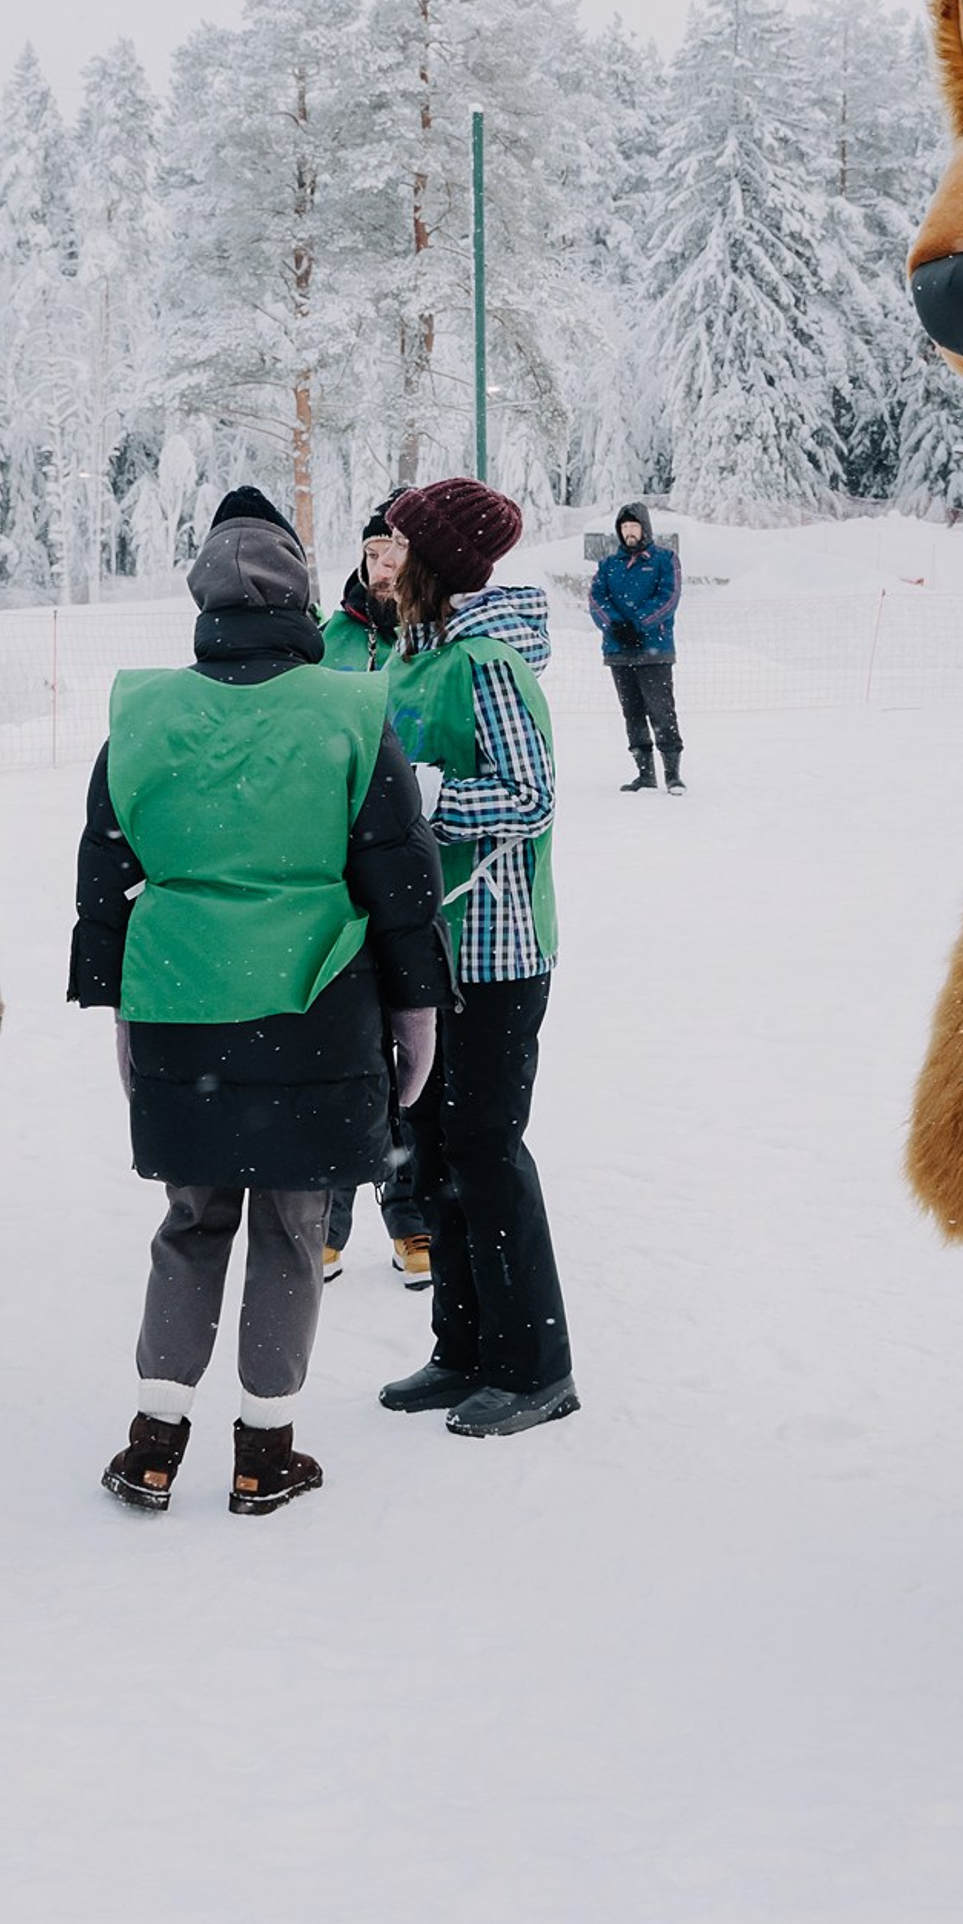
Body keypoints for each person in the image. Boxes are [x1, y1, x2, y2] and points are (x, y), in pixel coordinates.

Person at [72, 487, 451, 1515]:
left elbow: (103, 870)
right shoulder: (346, 707)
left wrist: (116, 1003)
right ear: (296, 587)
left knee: (192, 1216)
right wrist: (414, 1010)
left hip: (178, 994)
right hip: (315, 996)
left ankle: (152, 1443)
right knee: (291, 1222)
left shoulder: (142, 713)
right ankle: (263, 1451)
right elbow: (398, 876)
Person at [377, 478, 579, 1436]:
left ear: (435, 567)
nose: (385, 560)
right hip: (433, 944)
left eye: (399, 546)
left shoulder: (489, 665)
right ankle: (462, 1348)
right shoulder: (418, 659)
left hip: (496, 947)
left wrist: (426, 800)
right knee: (442, 1153)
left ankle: (536, 1365)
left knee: (488, 1152)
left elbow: (531, 795)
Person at [317, 495, 432, 1287]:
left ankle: (412, 1219)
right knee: (347, 1045)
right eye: (372, 552)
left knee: (413, 1052)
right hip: (335, 864)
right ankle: (326, 1221)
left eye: (393, 551)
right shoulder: (334, 637)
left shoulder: (428, 641)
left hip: (407, 858)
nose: (380, 565)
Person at [589, 501, 684, 793]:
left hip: (654, 649)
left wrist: (639, 624)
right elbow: (596, 599)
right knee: (632, 712)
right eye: (624, 528)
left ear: (645, 528)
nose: (629, 533)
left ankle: (672, 773)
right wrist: (616, 625)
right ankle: (645, 774)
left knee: (662, 710)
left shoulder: (665, 560)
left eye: (634, 527)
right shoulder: (608, 565)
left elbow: (668, 598)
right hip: (619, 652)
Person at [319, 494, 404, 675]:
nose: (380, 572)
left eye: (394, 555)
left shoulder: (452, 639)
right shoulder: (328, 638)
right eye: (373, 556)